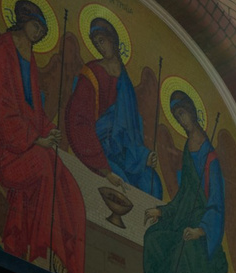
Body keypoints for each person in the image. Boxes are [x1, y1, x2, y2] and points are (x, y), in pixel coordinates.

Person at [0, 0, 85, 273]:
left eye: (42, 30)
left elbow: (34, 109)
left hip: (27, 138)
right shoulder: (3, 48)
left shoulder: (31, 57)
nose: (39, 33)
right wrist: (36, 139)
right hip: (2, 141)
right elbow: (3, 109)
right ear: (23, 22)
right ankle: (40, 250)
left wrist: (49, 131)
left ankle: (66, 259)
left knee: (67, 182)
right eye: (37, 26)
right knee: (43, 166)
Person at [142, 90, 225, 273]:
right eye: (177, 117)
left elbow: (217, 202)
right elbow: (186, 194)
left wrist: (201, 230)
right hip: (183, 218)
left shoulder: (210, 158)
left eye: (183, 114)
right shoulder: (189, 149)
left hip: (203, 225)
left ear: (192, 112)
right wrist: (162, 211)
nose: (181, 121)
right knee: (154, 238)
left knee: (183, 247)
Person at [63, 15, 163, 195]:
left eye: (102, 40)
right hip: (97, 149)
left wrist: (144, 155)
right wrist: (105, 170)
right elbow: (78, 122)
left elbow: (131, 133)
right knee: (121, 183)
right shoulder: (91, 74)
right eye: (96, 43)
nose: (100, 46)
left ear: (113, 40)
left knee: (153, 184)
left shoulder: (126, 83)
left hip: (124, 152)